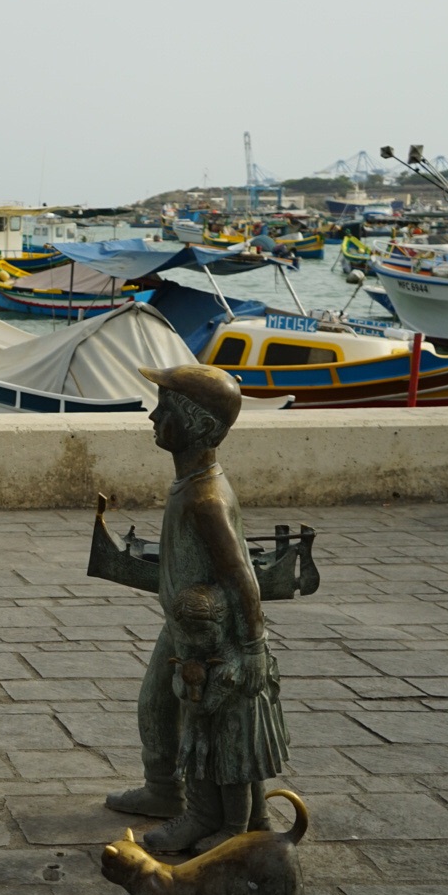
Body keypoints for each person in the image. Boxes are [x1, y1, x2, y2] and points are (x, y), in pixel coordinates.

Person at [105, 364, 289, 852]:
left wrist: (251, 647)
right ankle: (175, 795)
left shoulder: (205, 498)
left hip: (207, 634)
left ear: (197, 425)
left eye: (164, 408)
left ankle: (213, 819)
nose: (151, 415)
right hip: (185, 625)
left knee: (212, 732)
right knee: (161, 707)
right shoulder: (193, 484)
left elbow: (242, 575)